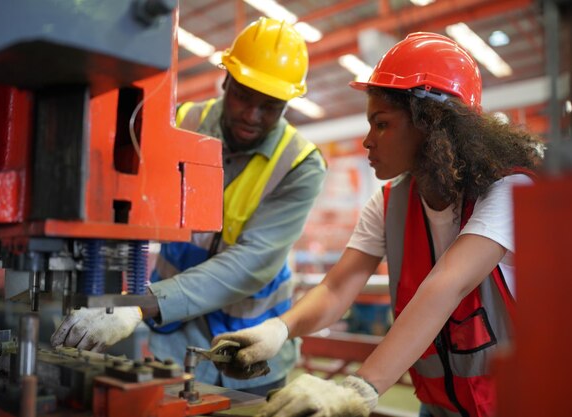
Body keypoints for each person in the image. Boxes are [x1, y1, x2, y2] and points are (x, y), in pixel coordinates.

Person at [213, 32, 542, 416]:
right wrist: (279, 329)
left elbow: (447, 286)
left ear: (432, 124)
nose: (368, 140)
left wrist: (359, 387)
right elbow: (338, 288)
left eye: (381, 124)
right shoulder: (390, 203)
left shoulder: (506, 191)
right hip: (438, 408)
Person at [50, 17, 327, 396]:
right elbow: (127, 208)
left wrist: (138, 306)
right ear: (226, 80)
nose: (252, 115)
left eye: (270, 106)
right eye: (244, 96)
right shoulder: (180, 124)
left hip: (251, 347)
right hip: (174, 343)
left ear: (287, 103)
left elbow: (251, 264)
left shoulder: (299, 164)